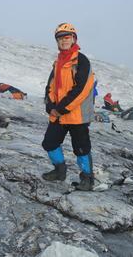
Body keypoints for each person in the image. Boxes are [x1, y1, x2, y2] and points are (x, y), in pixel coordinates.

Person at [41, 22, 96, 191]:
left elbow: (81, 90)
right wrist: (50, 106)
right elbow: (50, 87)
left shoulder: (81, 61)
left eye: (67, 37)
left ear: (73, 39)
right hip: (58, 114)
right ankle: (60, 171)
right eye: (60, 38)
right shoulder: (57, 63)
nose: (63, 41)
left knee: (81, 148)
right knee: (49, 143)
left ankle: (87, 179)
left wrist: (61, 108)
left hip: (77, 116)